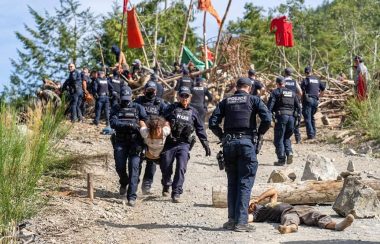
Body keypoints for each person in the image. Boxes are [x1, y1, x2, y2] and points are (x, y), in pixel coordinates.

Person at [209, 77, 272, 232]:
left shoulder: (226, 101)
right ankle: (241, 222)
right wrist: (259, 133)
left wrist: (222, 136)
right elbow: (268, 119)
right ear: (249, 88)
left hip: (229, 145)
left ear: (236, 87)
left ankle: (231, 220)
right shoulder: (254, 100)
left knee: (232, 182)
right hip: (246, 144)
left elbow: (212, 123)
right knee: (245, 183)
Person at [161, 86, 210, 203]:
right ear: (178, 97)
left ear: (190, 97)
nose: (184, 98)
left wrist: (205, 144)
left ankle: (176, 192)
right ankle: (166, 184)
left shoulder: (193, 112)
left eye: (186, 96)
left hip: (184, 144)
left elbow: (200, 128)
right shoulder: (170, 109)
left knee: (181, 167)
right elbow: (160, 120)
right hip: (170, 143)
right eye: (182, 96)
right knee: (166, 166)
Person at [248, 188, 355, 234]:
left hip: (299, 208)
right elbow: (246, 219)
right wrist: (242, 213)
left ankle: (337, 226)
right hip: (287, 213)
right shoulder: (257, 215)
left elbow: (273, 191)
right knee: (290, 218)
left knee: (316, 215)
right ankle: (290, 228)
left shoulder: (267, 204)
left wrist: (258, 199)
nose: (250, 205)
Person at [110, 86, 148, 207]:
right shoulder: (116, 107)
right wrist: (128, 125)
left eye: (128, 98)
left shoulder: (138, 108)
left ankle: (131, 196)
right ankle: (123, 181)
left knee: (134, 168)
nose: (126, 101)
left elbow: (145, 121)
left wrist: (140, 127)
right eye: (124, 98)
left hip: (135, 142)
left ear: (131, 96)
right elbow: (113, 123)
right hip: (120, 142)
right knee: (120, 166)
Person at [135, 81, 167, 194]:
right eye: (148, 90)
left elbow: (167, 115)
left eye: (152, 91)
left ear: (156, 91)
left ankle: (146, 186)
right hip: (140, 133)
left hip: (154, 136)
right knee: (137, 160)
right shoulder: (138, 101)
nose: (150, 92)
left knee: (151, 161)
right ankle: (134, 183)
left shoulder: (160, 103)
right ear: (144, 90)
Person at [267, 76, 301, 166]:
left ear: (277, 84)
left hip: (281, 117)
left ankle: (281, 159)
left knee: (279, 138)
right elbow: (299, 107)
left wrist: (268, 119)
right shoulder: (292, 93)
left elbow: (269, 107)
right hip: (292, 118)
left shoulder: (275, 92)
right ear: (284, 83)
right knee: (286, 137)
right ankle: (289, 152)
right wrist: (298, 121)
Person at [300, 66, 325, 139]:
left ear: (305, 73)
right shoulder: (317, 79)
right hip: (315, 101)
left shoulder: (306, 80)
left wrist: (301, 101)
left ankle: (311, 135)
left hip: (308, 100)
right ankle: (313, 133)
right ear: (311, 71)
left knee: (307, 118)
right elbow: (323, 89)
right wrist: (319, 96)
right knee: (311, 117)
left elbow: (301, 92)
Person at [283, 68, 302, 144]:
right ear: (291, 74)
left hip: (283, 103)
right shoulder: (294, 82)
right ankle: (298, 139)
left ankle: (285, 138)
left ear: (285, 73)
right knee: (295, 119)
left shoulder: (282, 81)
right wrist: (296, 99)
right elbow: (300, 92)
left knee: (284, 120)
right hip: (293, 103)